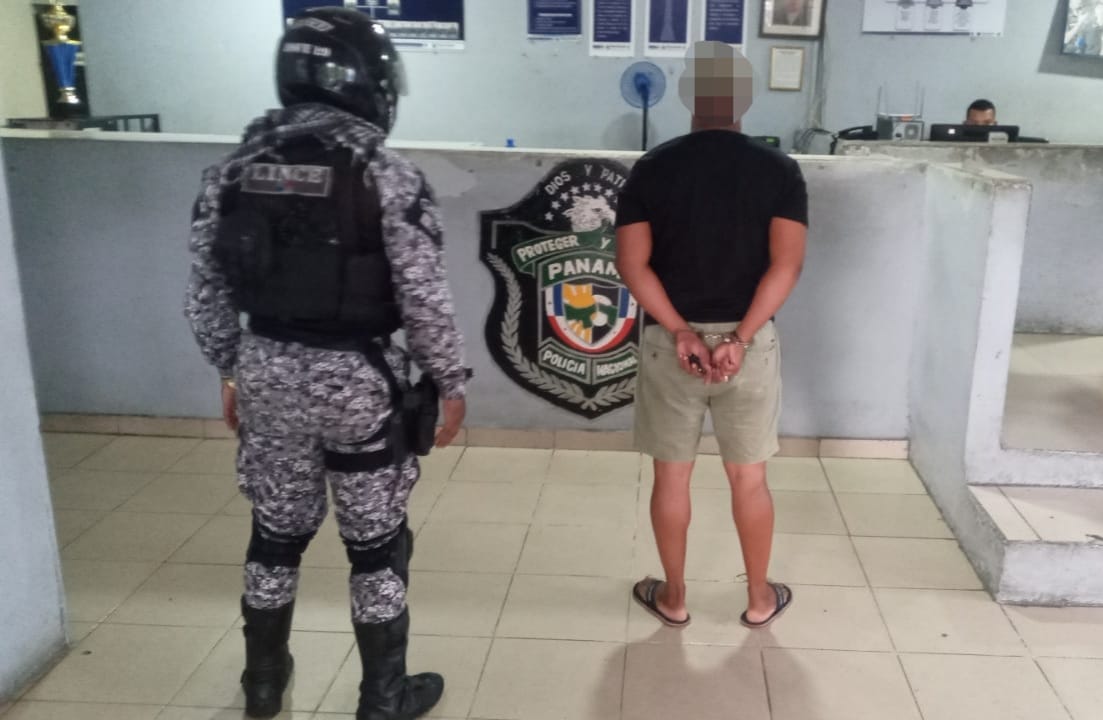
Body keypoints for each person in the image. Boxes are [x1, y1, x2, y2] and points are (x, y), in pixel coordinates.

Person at [184, 8, 467, 719]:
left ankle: (262, 685)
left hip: (265, 373)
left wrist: (231, 371)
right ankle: (383, 697)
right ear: (367, 83)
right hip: (358, 386)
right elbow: (424, 298)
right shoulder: (387, 174)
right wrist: (449, 381)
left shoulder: (232, 171)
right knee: (375, 546)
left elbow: (204, 295)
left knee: (275, 535)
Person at [615, 41, 807, 630]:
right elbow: (786, 266)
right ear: (744, 100)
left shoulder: (652, 168)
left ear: (688, 97)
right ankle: (759, 599)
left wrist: (679, 330)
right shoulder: (779, 170)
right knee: (749, 478)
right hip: (748, 349)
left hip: (669, 346)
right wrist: (741, 338)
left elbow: (632, 265)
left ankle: (673, 598)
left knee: (671, 474)